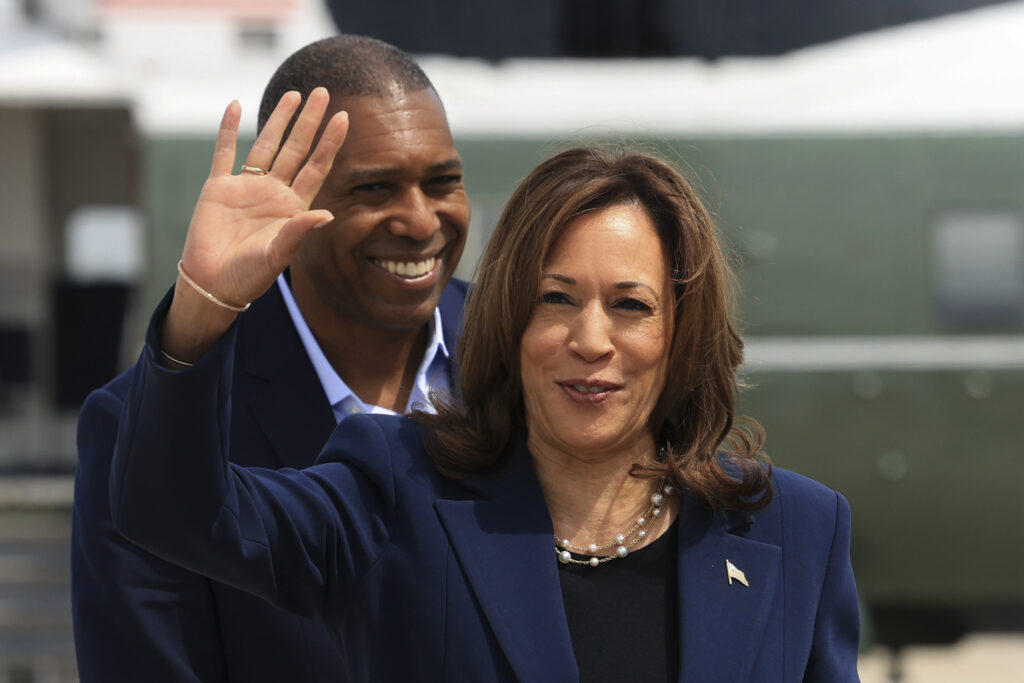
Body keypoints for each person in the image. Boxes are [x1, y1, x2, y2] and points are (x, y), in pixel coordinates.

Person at [108, 91, 861, 681]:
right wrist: (204, 309)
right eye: (556, 298)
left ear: (681, 335)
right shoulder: (395, 489)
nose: (591, 341)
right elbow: (174, 514)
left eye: (630, 306)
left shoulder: (794, 530)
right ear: (511, 322)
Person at [71, 36, 471, 682]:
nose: (422, 220)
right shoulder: (139, 431)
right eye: (376, 189)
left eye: (442, 182)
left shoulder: (535, 362)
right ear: (292, 200)